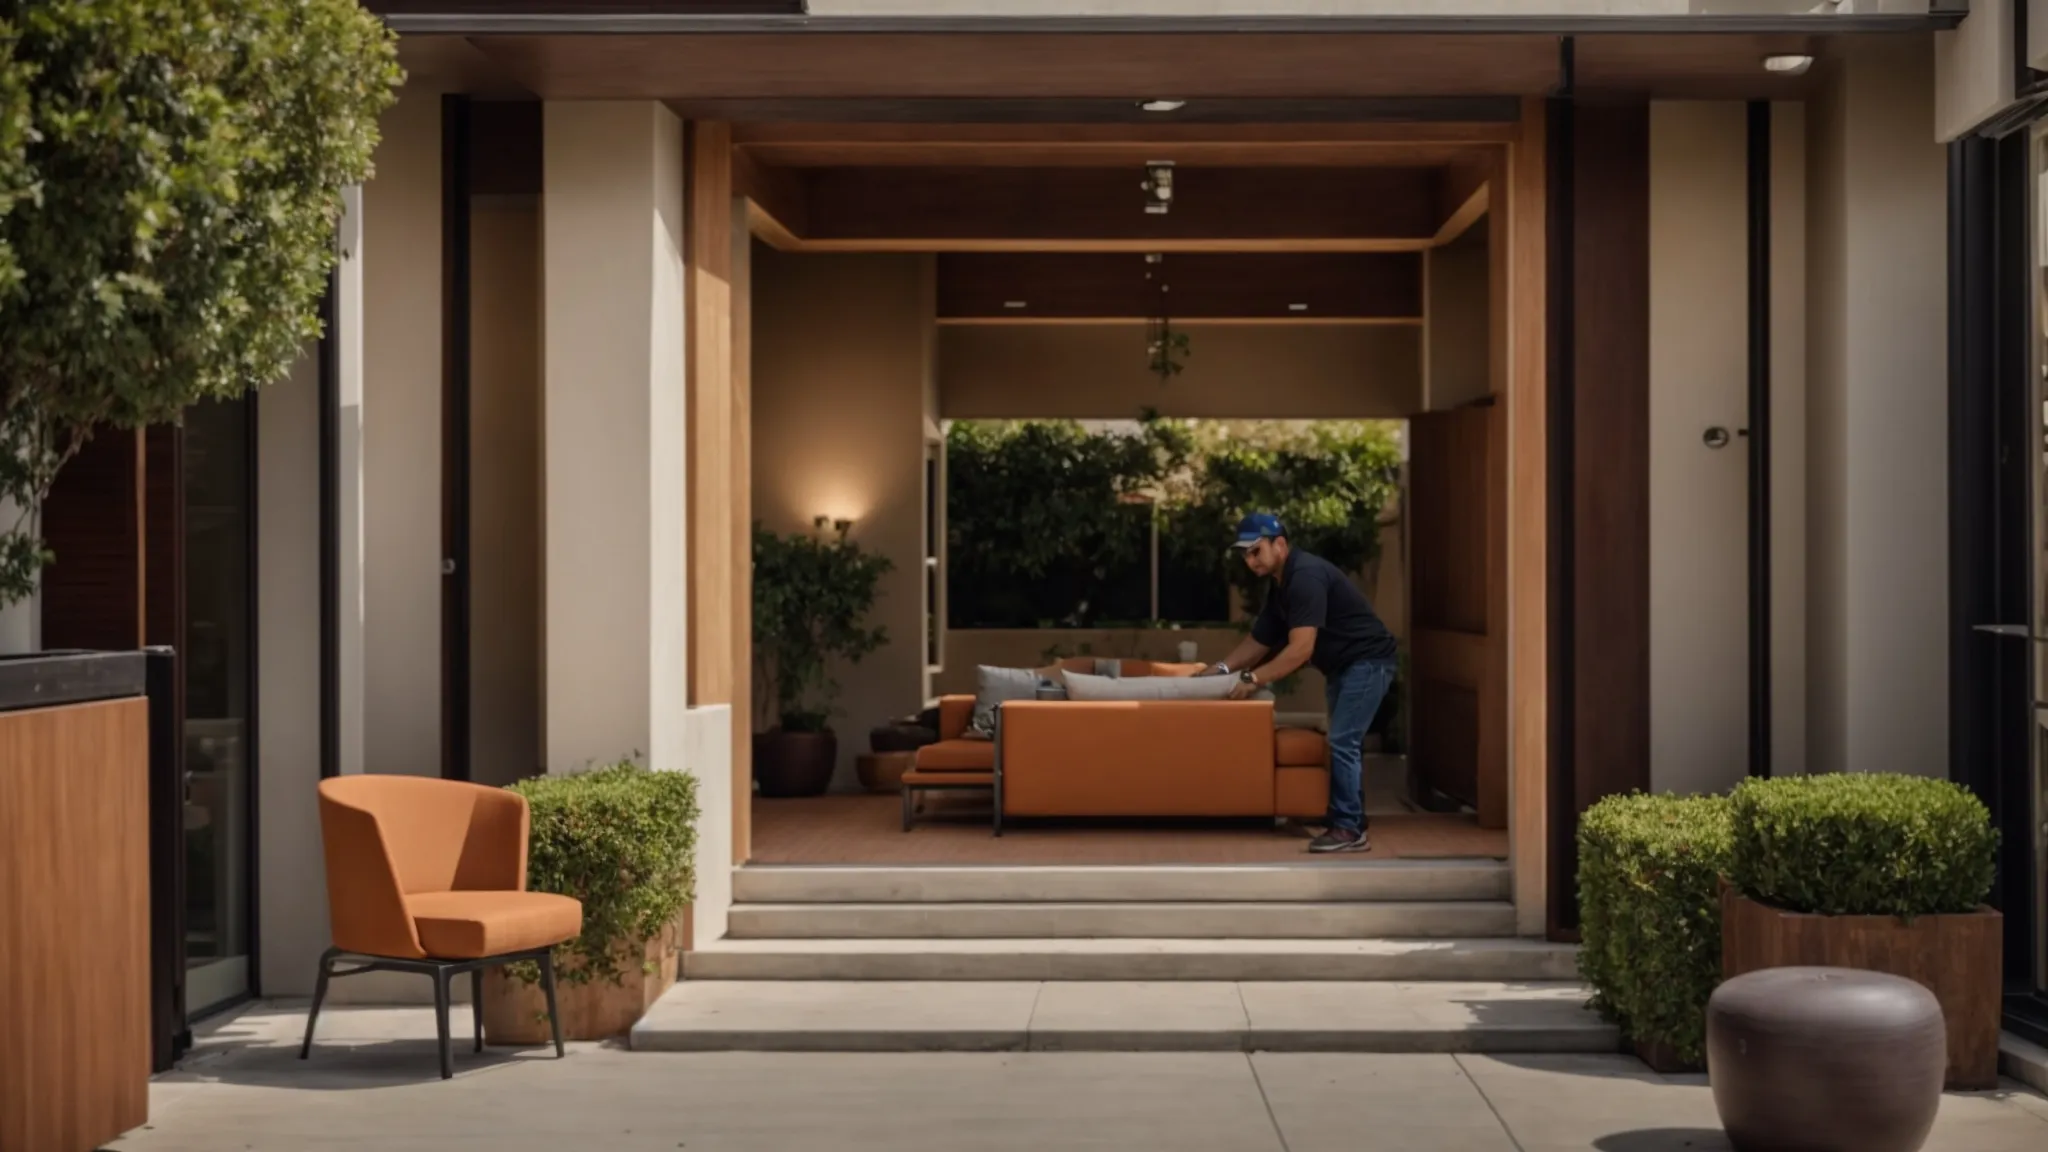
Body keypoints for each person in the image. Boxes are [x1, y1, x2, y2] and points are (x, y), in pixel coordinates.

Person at [1199, 512, 1397, 853]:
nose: (1250, 560)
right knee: (1343, 741)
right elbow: (1259, 641)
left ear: (1280, 544)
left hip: (1367, 662)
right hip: (1343, 667)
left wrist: (1253, 677)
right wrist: (1217, 669)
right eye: (1245, 554)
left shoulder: (1305, 576)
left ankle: (1349, 830)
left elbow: (1301, 648)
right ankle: (1346, 817)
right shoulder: (1281, 586)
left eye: (1255, 550)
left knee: (1342, 741)